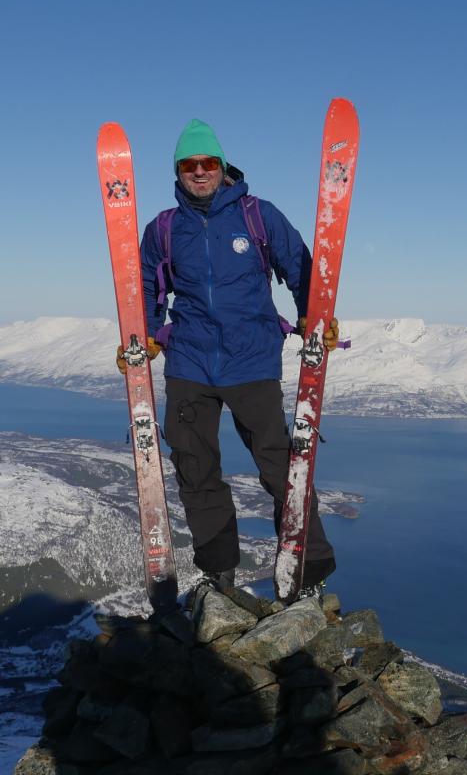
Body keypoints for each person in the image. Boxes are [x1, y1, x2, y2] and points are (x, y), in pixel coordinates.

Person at [120, 119, 338, 600]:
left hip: (251, 361)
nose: (199, 171)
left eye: (208, 163)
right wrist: (147, 335)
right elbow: (148, 285)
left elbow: (300, 266)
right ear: (178, 172)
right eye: (189, 165)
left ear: (223, 166)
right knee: (195, 467)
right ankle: (218, 571)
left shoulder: (258, 216)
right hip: (189, 362)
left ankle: (309, 565)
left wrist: (315, 316)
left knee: (280, 464)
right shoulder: (164, 228)